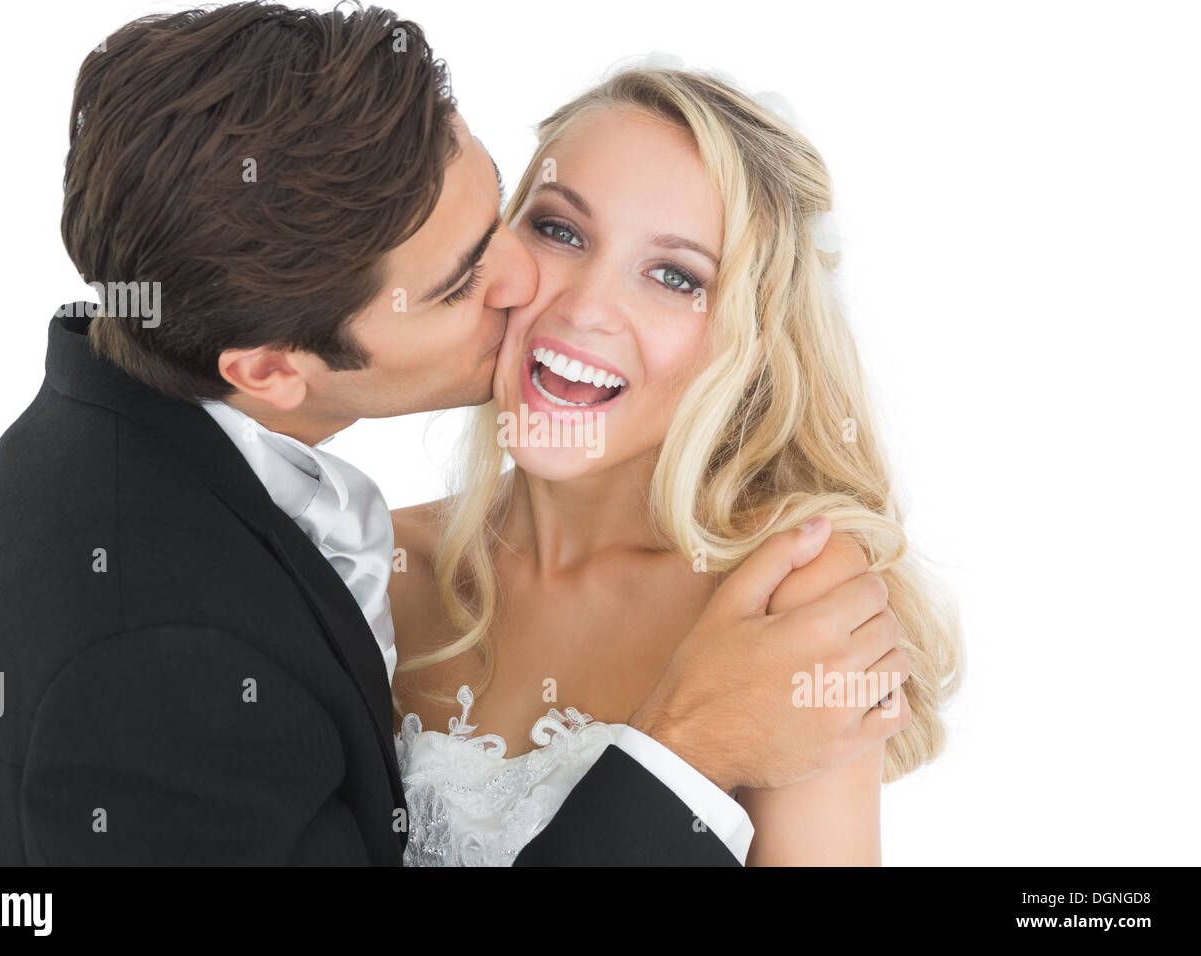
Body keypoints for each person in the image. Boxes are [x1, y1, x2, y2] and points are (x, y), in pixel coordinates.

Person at [0, 2, 910, 866]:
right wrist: (687, 746)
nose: (538, 290)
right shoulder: (224, 626)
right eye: (532, 240)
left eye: (677, 274)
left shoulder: (782, 602)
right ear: (268, 370)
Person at [389, 66, 962, 866]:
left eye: (675, 277)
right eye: (560, 231)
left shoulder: (779, 597)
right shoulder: (369, 563)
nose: (585, 308)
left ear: (749, 345)